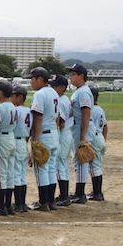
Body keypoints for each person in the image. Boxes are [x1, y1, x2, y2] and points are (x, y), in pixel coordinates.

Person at [26, 67, 60, 211]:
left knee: (41, 169)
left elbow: (38, 117)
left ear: (40, 79)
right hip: (54, 133)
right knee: (51, 168)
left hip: (43, 134)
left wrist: (36, 141)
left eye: (32, 79)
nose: (31, 82)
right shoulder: (54, 92)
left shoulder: (40, 94)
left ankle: (43, 202)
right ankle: (51, 201)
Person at [67, 63, 96, 204]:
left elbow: (86, 114)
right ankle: (79, 193)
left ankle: (80, 194)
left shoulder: (84, 91)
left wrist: (83, 137)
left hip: (81, 127)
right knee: (78, 161)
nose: (70, 77)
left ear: (81, 76)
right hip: (77, 127)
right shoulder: (79, 90)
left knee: (81, 160)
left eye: (73, 74)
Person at [0, 80, 17, 216]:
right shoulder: (13, 106)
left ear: (1, 92)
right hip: (12, 138)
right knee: (9, 173)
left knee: (1, 173)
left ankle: (2, 206)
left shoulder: (1, 108)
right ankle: (8, 204)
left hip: (2, 138)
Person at [49, 75, 73, 206]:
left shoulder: (61, 101)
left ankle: (64, 196)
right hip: (66, 134)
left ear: (63, 88)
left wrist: (55, 136)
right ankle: (64, 196)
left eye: (54, 86)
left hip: (63, 134)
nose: (52, 88)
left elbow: (61, 122)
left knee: (59, 165)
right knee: (62, 164)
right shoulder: (63, 99)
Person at [10, 84, 32, 212]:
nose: (12, 98)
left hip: (16, 141)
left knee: (16, 174)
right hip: (24, 142)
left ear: (20, 97)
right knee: (22, 174)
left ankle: (18, 204)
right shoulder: (29, 111)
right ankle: (22, 203)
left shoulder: (16, 111)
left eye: (13, 96)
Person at [88, 86, 107, 201]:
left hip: (93, 138)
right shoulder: (100, 109)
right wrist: (103, 140)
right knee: (97, 166)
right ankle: (97, 192)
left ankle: (97, 193)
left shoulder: (90, 110)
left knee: (93, 166)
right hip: (100, 138)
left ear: (93, 97)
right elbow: (105, 127)